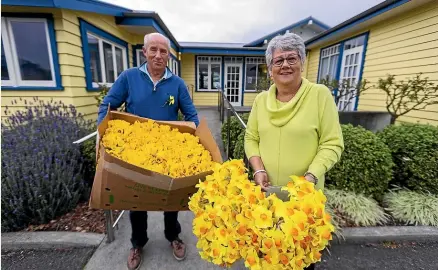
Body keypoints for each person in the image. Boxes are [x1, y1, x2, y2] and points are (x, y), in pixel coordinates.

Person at [97, 32, 198, 270]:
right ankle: (137, 243)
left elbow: (191, 115)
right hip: (135, 153)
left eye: (163, 51)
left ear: (169, 55)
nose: (158, 55)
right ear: (144, 52)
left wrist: (196, 137)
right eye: (153, 50)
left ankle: (173, 236)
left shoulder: (177, 84)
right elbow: (108, 105)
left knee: (171, 199)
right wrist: (104, 134)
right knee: (136, 200)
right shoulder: (129, 77)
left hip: (168, 154)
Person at [244, 32, 344, 270]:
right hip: (266, 198)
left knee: (300, 260)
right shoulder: (260, 101)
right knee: (266, 258)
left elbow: (332, 143)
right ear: (270, 69)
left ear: (302, 62)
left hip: (304, 200)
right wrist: (258, 171)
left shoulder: (319, 95)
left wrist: (310, 178)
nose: (285, 65)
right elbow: (251, 138)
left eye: (292, 58)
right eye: (278, 60)